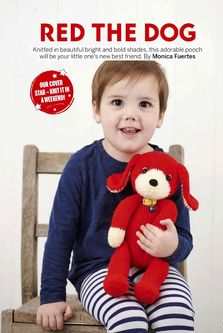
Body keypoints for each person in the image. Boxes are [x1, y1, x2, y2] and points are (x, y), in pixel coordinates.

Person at [36, 61, 195, 332]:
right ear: (97, 110)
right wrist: (52, 297)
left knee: (177, 314)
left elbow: (184, 238)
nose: (131, 114)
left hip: (156, 269)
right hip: (99, 270)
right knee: (128, 318)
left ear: (160, 115)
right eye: (117, 102)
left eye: (144, 104)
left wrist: (172, 247)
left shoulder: (167, 169)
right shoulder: (81, 166)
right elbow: (60, 234)